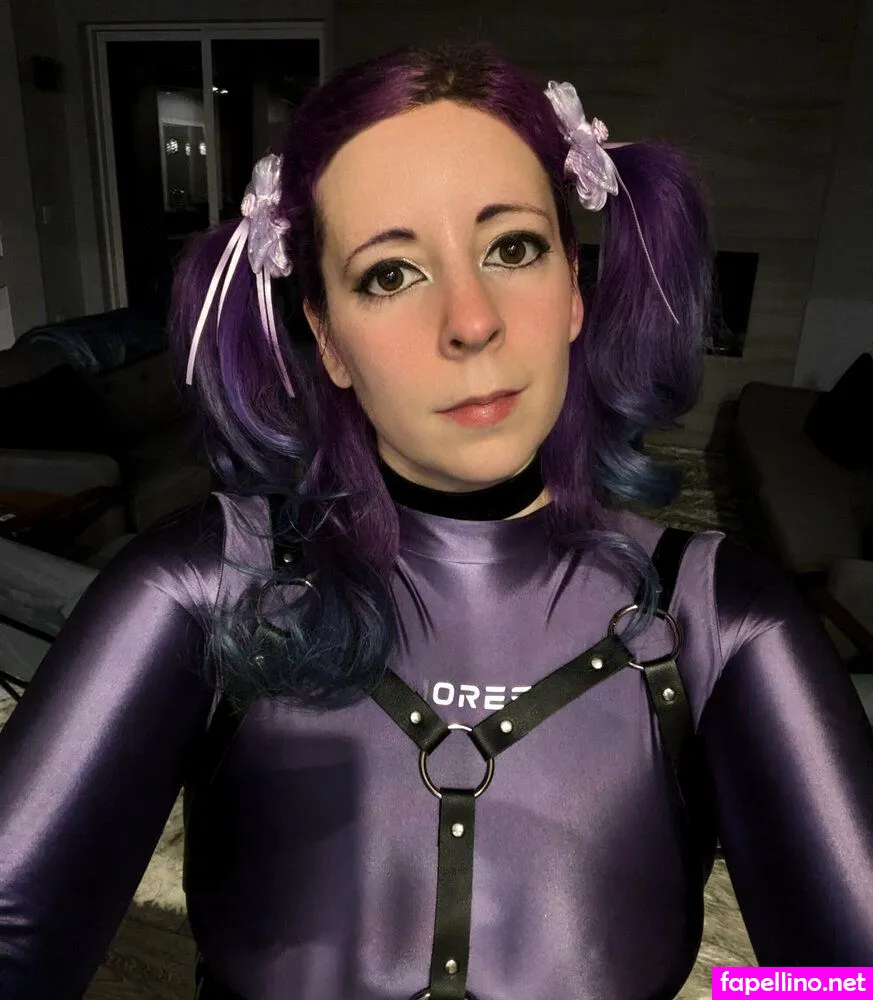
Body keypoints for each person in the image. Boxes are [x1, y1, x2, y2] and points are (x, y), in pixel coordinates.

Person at [1, 43, 872, 1000]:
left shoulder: (719, 619)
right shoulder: (206, 586)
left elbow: (846, 983)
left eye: (512, 249)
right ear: (327, 338)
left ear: (573, 290)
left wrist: (745, 992)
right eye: (390, 274)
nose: (470, 320)